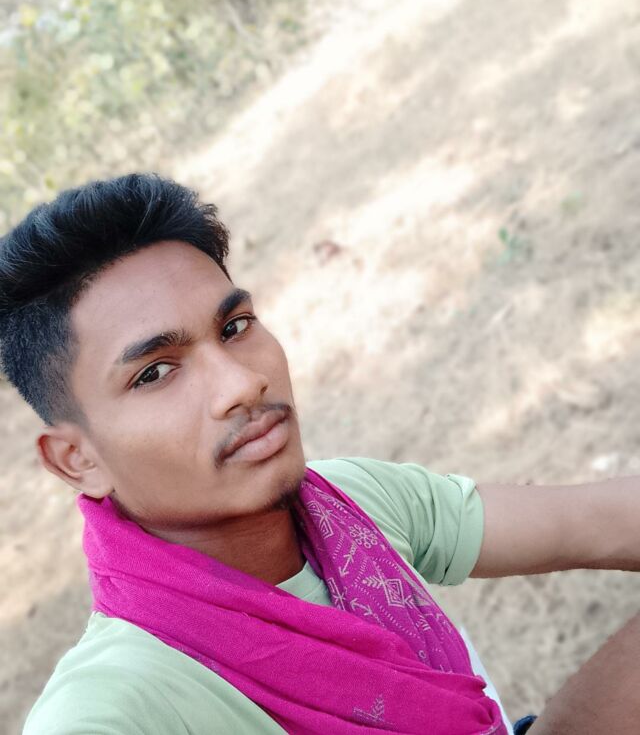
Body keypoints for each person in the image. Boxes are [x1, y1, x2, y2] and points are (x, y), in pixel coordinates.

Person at [0, 173, 636, 735]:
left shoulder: (351, 504)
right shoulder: (123, 699)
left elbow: (592, 521)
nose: (242, 383)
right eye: (155, 372)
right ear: (77, 460)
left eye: (234, 328)